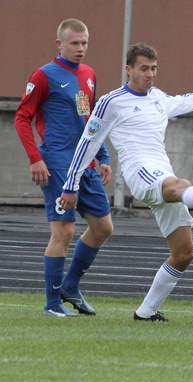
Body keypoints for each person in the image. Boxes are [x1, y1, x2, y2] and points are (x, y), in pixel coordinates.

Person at [60, 42, 193, 322]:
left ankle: (146, 312)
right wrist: (71, 184)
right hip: (139, 172)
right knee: (180, 185)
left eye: (153, 68)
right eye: (144, 68)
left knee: (184, 253)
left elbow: (185, 101)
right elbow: (88, 143)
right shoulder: (111, 101)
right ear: (129, 70)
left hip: (162, 172)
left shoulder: (158, 97)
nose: (150, 74)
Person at [15, 18, 113, 317]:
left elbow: (93, 122)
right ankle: (52, 304)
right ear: (60, 44)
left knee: (103, 227)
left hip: (84, 162)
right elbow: (22, 117)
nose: (80, 49)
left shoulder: (89, 74)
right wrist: (35, 158)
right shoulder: (44, 75)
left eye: (84, 43)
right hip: (56, 162)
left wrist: (104, 156)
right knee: (64, 232)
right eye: (74, 43)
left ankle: (70, 287)